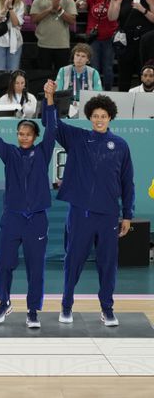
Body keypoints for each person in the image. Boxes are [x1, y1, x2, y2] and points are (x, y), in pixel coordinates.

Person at [43, 80, 134, 327]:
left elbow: (127, 183)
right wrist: (49, 98)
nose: (99, 120)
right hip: (81, 213)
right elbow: (51, 125)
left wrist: (127, 214)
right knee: (73, 261)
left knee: (107, 264)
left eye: (103, 116)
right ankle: (66, 306)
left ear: (110, 118)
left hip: (108, 215)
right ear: (90, 117)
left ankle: (107, 308)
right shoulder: (78, 138)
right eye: (95, 116)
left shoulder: (121, 146)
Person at [0, 89, 56, 329]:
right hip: (12, 218)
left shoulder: (43, 152)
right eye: (20, 134)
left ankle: (33, 310)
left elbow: (53, 128)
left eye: (27, 134)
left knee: (36, 268)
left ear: (35, 136)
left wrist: (50, 99)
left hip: (36, 219)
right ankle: (4, 302)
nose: (23, 137)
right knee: (5, 263)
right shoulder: (10, 153)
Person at [108, 0, 154, 91]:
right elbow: (112, 17)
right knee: (124, 76)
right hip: (126, 42)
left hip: (144, 42)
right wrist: (114, 2)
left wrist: (142, 9)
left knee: (144, 73)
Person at [30, 0, 77, 72]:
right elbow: (33, 19)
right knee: (43, 76)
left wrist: (59, 9)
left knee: (62, 77)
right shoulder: (38, 1)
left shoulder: (68, 0)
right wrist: (50, 9)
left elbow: (72, 21)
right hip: (43, 45)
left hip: (62, 45)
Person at [75, 0, 118, 89]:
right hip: (94, 38)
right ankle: (94, 90)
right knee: (94, 67)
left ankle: (108, 91)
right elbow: (76, 6)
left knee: (108, 67)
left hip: (109, 37)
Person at [55, 43, 103, 117]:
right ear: (73, 56)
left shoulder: (93, 73)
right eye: (77, 55)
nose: (79, 59)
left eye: (83, 56)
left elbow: (98, 94)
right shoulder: (63, 70)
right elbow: (58, 92)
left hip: (87, 106)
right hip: (67, 106)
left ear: (88, 59)